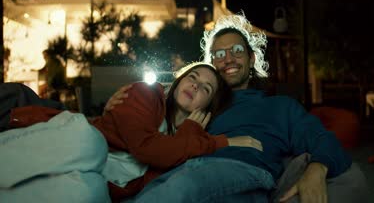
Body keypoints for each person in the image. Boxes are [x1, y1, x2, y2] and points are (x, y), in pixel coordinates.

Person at [107, 14, 369, 202]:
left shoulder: (280, 107)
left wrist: (316, 169)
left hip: (241, 172)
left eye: (235, 50)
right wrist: (130, 97)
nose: (228, 59)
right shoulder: (200, 104)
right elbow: (155, 106)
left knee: (182, 187)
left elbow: (323, 139)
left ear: (252, 57)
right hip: (185, 170)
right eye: (219, 55)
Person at [0, 62, 263, 202]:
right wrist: (220, 141)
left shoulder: (186, 144)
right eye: (193, 77)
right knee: (91, 143)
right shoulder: (145, 94)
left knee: (90, 194)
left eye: (206, 88)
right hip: (57, 143)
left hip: (78, 179)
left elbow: (167, 157)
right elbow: (148, 149)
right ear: (179, 80)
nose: (195, 86)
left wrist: (192, 134)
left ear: (208, 107)